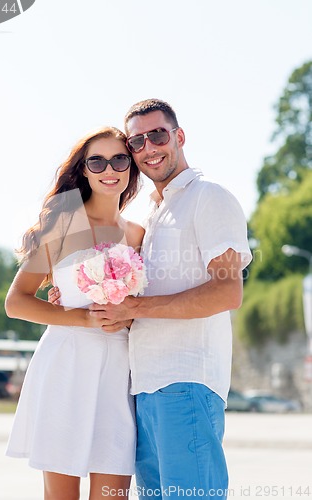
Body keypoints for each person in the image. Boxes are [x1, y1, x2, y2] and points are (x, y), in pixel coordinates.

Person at [72, 99, 252, 499]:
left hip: (186, 384)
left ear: (179, 136)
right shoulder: (154, 214)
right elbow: (155, 299)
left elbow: (227, 291)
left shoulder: (208, 197)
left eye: (158, 134)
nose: (149, 147)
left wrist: (134, 307)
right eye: (137, 141)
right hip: (145, 389)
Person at [5, 126, 144, 500]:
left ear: (131, 165)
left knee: (114, 491)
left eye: (119, 159)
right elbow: (16, 301)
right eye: (96, 160)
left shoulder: (138, 234)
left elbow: (144, 306)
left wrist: (127, 317)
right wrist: (84, 318)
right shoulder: (64, 224)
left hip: (118, 371)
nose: (109, 168)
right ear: (84, 170)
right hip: (65, 365)